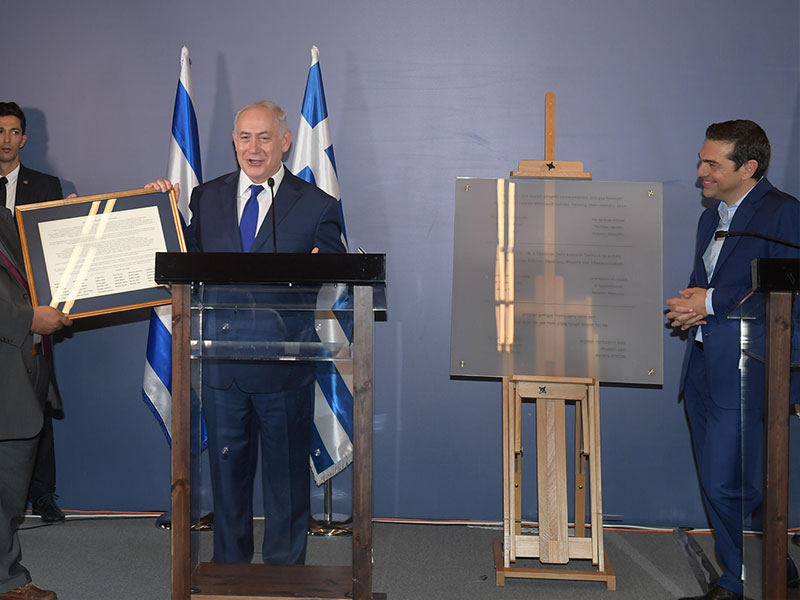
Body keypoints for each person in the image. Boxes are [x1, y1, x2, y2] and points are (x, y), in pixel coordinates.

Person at [147, 100, 346, 565]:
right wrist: (161, 208)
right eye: (244, 138)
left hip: (284, 369)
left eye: (263, 138)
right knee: (228, 483)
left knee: (286, 485)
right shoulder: (207, 197)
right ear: (233, 142)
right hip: (222, 368)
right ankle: (230, 574)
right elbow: (185, 257)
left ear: (285, 141)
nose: (253, 148)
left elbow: (333, 275)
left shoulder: (318, 205)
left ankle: (283, 578)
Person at [666, 120, 800, 600]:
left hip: (751, 366)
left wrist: (710, 303)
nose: (700, 170)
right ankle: (765, 566)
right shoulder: (712, 215)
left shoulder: (784, 213)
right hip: (702, 363)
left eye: (711, 163)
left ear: (748, 167)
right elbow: (707, 281)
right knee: (719, 477)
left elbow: (788, 294)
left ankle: (741, 577)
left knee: (730, 482)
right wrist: (691, 308)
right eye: (701, 160)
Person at [0, 201, 72, 600]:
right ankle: (7, 583)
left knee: (9, 488)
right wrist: (28, 320)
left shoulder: (4, 216)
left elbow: (35, 270)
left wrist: (70, 225)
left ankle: (7, 576)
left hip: (21, 373)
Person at [0, 102, 66, 523]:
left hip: (35, 316)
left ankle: (41, 494)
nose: (4, 140)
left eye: (12, 132)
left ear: (23, 139)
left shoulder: (46, 185)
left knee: (35, 406)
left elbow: (56, 253)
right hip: (6, 318)